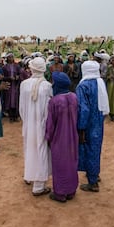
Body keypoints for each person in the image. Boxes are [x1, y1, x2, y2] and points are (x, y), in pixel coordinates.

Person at [19, 57, 53, 196]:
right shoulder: (47, 86)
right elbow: (48, 109)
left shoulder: (24, 84)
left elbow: (21, 108)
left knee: (29, 148)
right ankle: (38, 186)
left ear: (32, 68)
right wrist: (45, 124)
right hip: (41, 124)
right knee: (41, 151)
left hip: (28, 123)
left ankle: (29, 176)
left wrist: (27, 120)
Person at [45, 72, 79, 202]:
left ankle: (60, 193)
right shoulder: (74, 97)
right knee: (72, 162)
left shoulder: (54, 101)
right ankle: (71, 190)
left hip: (59, 138)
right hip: (73, 136)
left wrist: (48, 137)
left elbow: (50, 123)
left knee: (59, 163)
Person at [76, 60, 109, 192]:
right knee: (96, 148)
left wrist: (81, 128)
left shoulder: (83, 86)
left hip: (88, 123)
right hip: (99, 121)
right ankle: (95, 173)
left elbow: (83, 109)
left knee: (88, 149)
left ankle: (93, 182)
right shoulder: (100, 82)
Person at [2, 53, 21, 122]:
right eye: (9, 57)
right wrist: (9, 78)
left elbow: (20, 74)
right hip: (8, 86)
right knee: (9, 101)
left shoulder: (17, 66)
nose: (11, 59)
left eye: (12, 57)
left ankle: (15, 116)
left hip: (15, 85)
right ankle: (11, 117)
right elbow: (3, 77)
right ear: (7, 58)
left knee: (15, 100)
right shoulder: (4, 67)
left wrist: (17, 77)